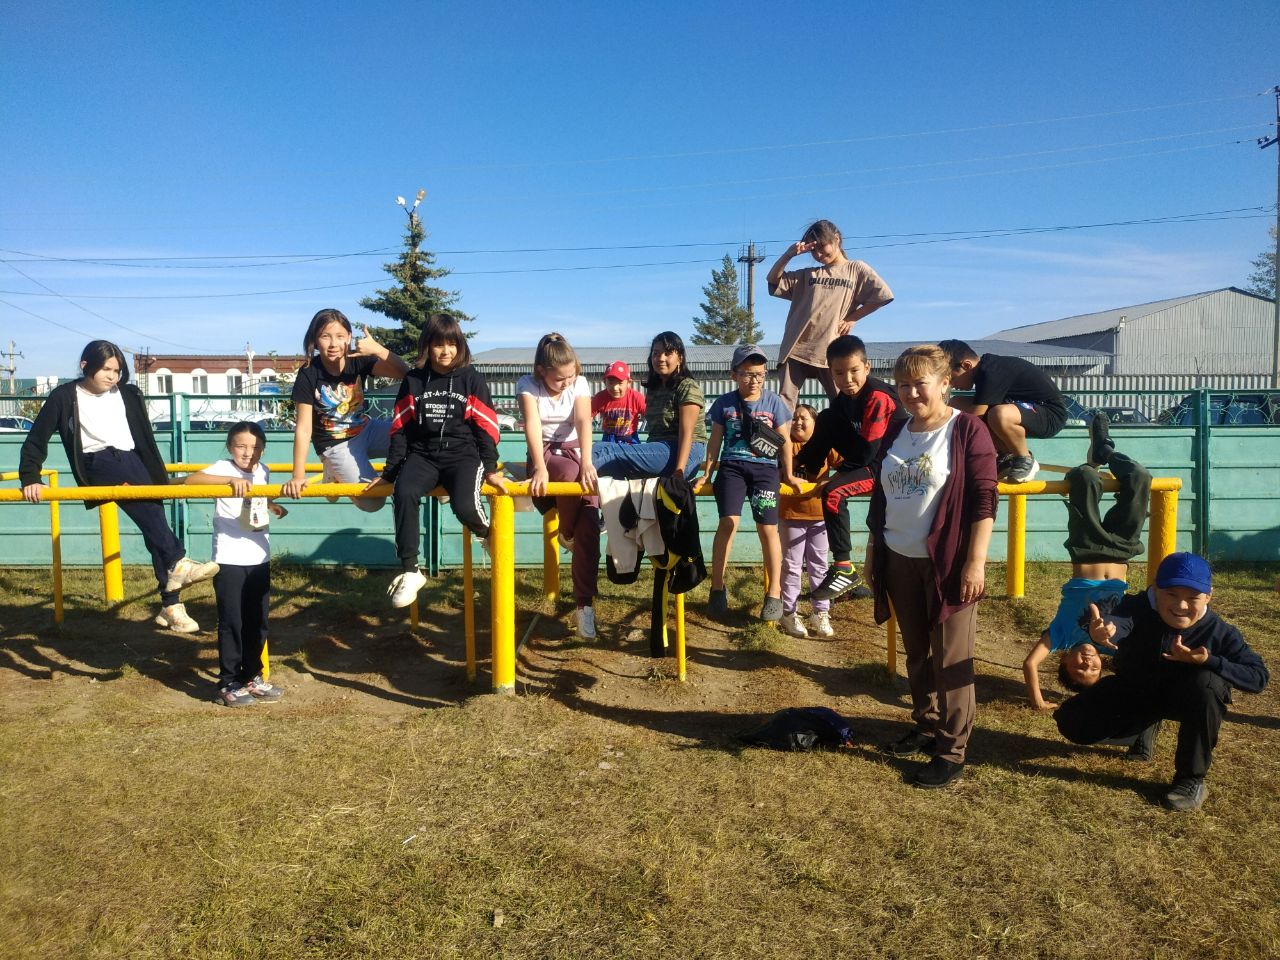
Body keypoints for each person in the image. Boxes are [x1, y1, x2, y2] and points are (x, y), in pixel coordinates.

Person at [18, 340, 219, 632]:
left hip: (133, 461)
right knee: (152, 519)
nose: (113, 377)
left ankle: (171, 605)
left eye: (118, 371)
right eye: (107, 370)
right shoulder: (64, 396)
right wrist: (30, 477)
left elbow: (144, 438)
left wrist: (153, 473)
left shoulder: (128, 393)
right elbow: (37, 438)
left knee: (153, 521)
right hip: (99, 462)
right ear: (85, 366)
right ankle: (178, 562)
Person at [867, 345, 998, 789]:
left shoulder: (968, 430)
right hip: (898, 557)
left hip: (948, 563)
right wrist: (873, 551)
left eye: (919, 383)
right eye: (903, 385)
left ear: (945, 383)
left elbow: (984, 499)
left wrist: (975, 562)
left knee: (951, 658)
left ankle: (952, 750)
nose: (910, 393)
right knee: (918, 653)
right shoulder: (897, 431)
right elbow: (881, 498)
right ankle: (926, 724)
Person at [1055, 552, 1269, 812]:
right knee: (1070, 721)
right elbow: (1119, 622)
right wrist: (1103, 631)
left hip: (1186, 700)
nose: (1181, 605)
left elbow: (1258, 677)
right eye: (1172, 594)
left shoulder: (1219, 631)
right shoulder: (1138, 606)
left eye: (1193, 598)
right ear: (1156, 589)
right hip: (1138, 690)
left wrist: (1209, 661)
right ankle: (1140, 731)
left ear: (1208, 596)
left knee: (1207, 682)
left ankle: (1190, 780)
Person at [377, 314, 509, 608]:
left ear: (460, 345)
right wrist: (389, 473)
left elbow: (486, 426)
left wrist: (489, 468)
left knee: (465, 505)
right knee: (404, 492)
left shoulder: (471, 378)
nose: (445, 351)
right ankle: (411, 571)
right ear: (427, 346)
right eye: (438, 344)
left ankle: (487, 534)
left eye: (452, 344)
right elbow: (400, 428)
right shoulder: (414, 380)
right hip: (423, 455)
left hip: (463, 455)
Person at [1023, 414, 1152, 710]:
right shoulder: (1113, 646)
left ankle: (1095, 459)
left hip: (1087, 550)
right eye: (1093, 670)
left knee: (1085, 477)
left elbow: (1030, 664)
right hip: (1122, 551)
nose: (1087, 663)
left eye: (1078, 668)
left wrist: (1038, 701)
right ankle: (1106, 452)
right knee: (1140, 478)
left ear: (1063, 661)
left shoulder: (1060, 637)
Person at [184, 422, 288, 707]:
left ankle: (252, 676)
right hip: (230, 558)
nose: (248, 452)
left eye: (255, 447)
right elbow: (192, 481)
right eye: (241, 446)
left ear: (263, 449)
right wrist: (228, 481)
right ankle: (229, 682)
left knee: (258, 620)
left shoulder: (263, 470)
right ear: (230, 447)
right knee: (232, 621)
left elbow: (260, 498)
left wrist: (273, 505)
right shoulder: (223, 468)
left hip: (259, 556)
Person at [792, 335, 902, 602]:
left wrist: (838, 477)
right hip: (868, 458)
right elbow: (826, 433)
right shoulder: (844, 399)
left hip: (890, 463)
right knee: (827, 417)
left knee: (833, 493)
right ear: (831, 373)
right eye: (839, 373)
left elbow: (868, 450)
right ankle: (803, 469)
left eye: (854, 371)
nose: (848, 379)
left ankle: (844, 567)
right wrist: (796, 461)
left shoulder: (877, 396)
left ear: (867, 367)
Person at [699, 345, 798, 623]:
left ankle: (774, 593)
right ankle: (717, 588)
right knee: (728, 523)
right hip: (732, 468)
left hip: (765, 470)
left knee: (767, 528)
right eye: (747, 374)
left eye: (760, 374)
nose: (754, 380)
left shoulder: (774, 402)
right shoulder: (724, 403)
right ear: (734, 375)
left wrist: (788, 475)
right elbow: (715, 442)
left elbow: (784, 442)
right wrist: (708, 474)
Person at [282, 308, 410, 510]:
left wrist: (378, 349)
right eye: (325, 336)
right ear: (315, 340)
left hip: (366, 430)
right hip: (335, 444)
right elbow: (304, 428)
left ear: (349, 337)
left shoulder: (358, 359)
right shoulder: (309, 372)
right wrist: (298, 476)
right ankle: (333, 471)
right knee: (373, 502)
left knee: (415, 438)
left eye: (340, 336)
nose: (333, 344)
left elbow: (405, 373)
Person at [518, 333, 601, 639]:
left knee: (589, 523)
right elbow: (532, 424)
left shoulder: (579, 383)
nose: (566, 383)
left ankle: (584, 606)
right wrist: (539, 467)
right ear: (542, 371)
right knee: (568, 472)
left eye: (570, 376)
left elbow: (583, 421)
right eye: (559, 379)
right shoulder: (528, 385)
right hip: (544, 454)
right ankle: (567, 533)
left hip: (576, 451)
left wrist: (588, 462)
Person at [767, 219, 894, 410]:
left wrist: (852, 318)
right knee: (785, 404)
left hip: (831, 349)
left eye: (822, 247)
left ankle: (845, 431)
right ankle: (787, 432)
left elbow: (883, 296)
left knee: (843, 403)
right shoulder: (808, 275)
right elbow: (772, 280)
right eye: (813, 250)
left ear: (836, 239)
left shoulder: (855, 269)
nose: (818, 254)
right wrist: (788, 255)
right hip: (796, 348)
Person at [938, 339, 1067, 484]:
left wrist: (960, 454)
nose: (952, 385)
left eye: (952, 379)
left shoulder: (991, 371)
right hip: (1023, 408)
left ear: (966, 365)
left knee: (999, 415)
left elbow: (976, 420)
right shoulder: (983, 371)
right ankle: (1006, 456)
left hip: (1050, 414)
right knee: (957, 403)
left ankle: (1024, 458)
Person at [592, 331, 706, 481]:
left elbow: (687, 434)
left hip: (685, 453)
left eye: (667, 353)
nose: (661, 358)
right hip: (660, 450)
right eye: (656, 353)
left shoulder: (687, 386)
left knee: (609, 451)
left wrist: (679, 472)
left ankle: (573, 472)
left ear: (680, 358)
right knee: (602, 452)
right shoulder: (654, 390)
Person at [778, 404, 839, 639]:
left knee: (819, 566)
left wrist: (831, 482)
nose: (798, 422)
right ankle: (789, 612)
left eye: (804, 418)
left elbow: (846, 466)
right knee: (792, 566)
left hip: (820, 516)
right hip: (791, 515)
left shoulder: (826, 444)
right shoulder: (785, 444)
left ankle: (820, 612)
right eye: (794, 418)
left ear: (815, 422)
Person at [592, 360, 646, 444]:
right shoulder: (600, 398)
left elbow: (650, 415)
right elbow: (585, 418)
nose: (615, 388)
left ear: (628, 383)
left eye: (620, 383)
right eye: (611, 383)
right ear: (604, 382)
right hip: (608, 438)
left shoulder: (636, 397)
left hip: (630, 438)